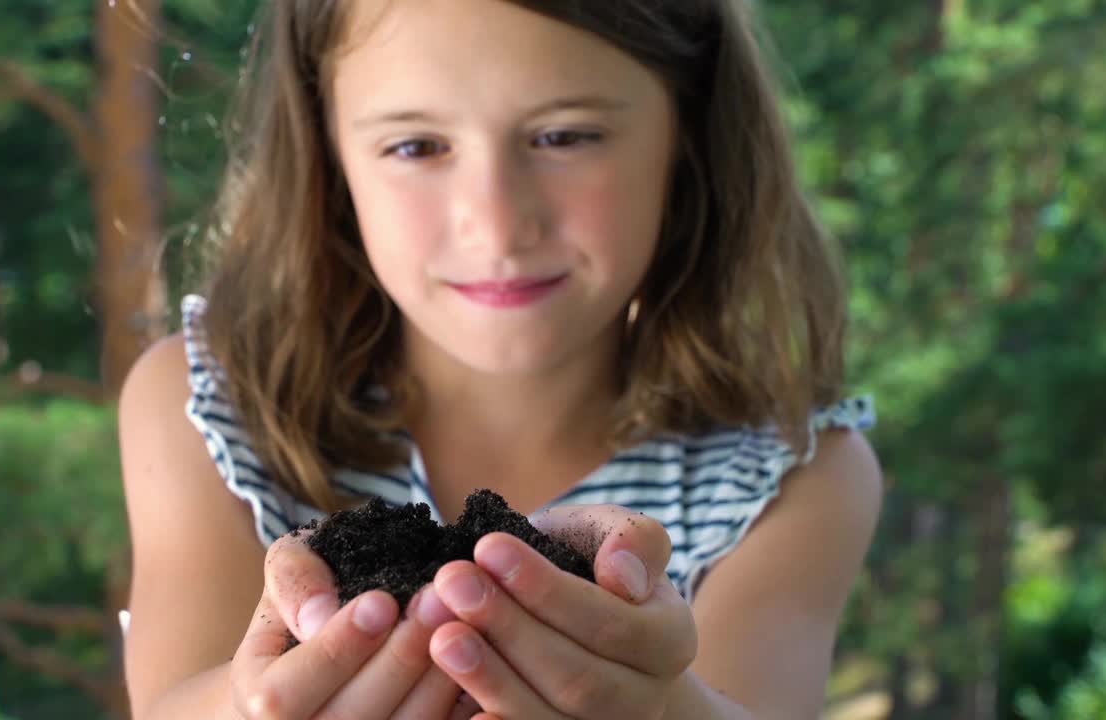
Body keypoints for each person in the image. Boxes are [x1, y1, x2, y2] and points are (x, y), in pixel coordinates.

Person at [117, 0, 884, 718]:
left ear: (690, 134)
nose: (495, 224)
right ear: (328, 154)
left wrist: (665, 706)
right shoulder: (206, 405)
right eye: (416, 146)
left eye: (564, 136)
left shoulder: (794, 476)